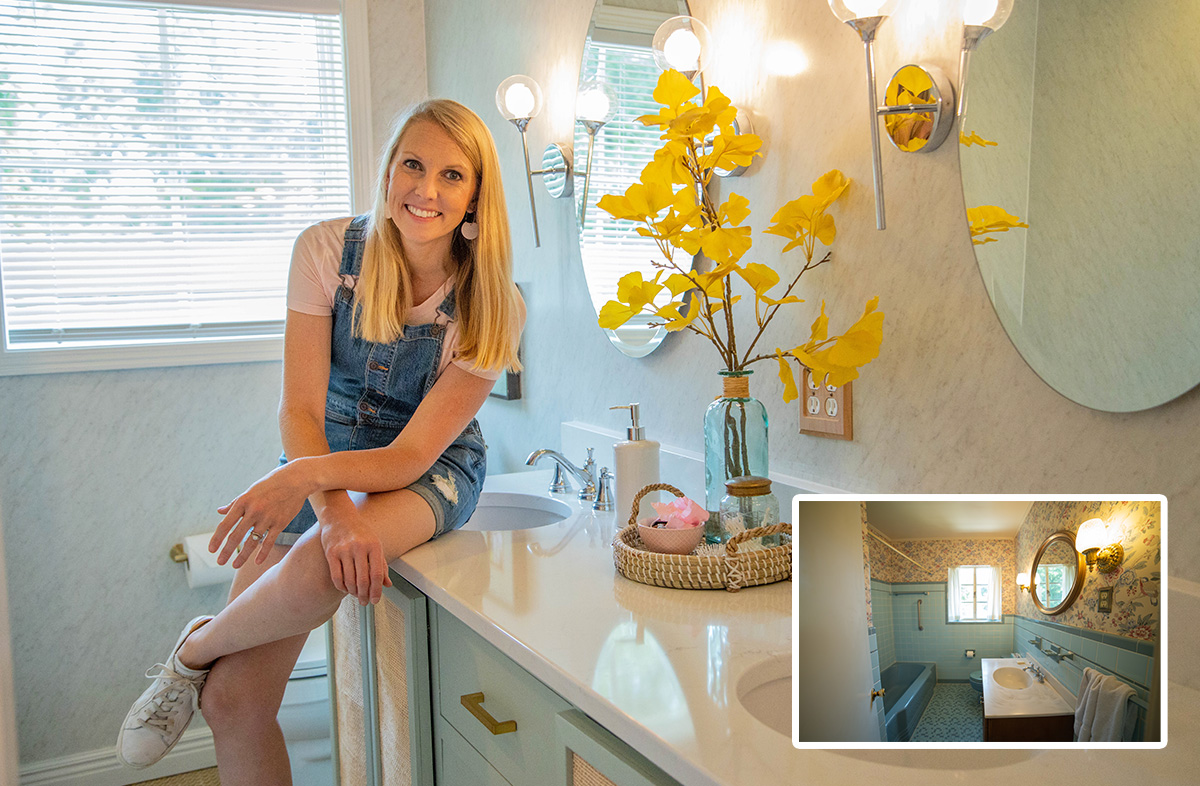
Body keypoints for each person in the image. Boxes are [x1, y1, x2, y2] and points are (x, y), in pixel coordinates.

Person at [115, 99, 524, 784]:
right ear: (388, 171)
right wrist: (331, 508)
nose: (426, 190)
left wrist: (311, 493)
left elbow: (408, 455)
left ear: (476, 195)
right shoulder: (326, 252)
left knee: (316, 564)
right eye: (413, 165)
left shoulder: (493, 303)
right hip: (321, 451)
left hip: (430, 466)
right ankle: (204, 666)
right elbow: (300, 410)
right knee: (231, 701)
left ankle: (193, 650)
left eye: (452, 175)